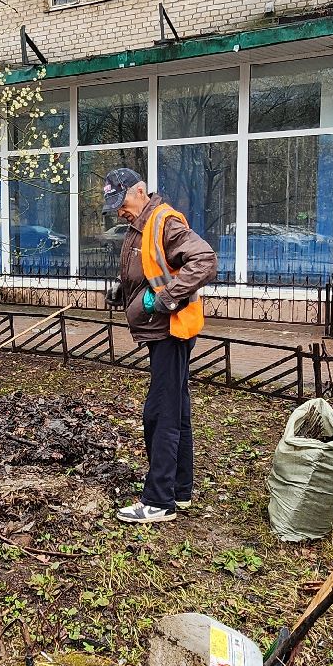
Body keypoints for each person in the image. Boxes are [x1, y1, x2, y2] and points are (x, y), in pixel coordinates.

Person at [103, 168, 217, 523]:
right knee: (176, 410)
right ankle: (179, 490)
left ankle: (158, 501)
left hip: (171, 329)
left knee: (160, 414)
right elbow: (151, 269)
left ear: (140, 191)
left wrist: (167, 297)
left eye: (121, 202)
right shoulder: (140, 225)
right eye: (114, 206)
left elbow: (204, 261)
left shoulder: (163, 221)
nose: (119, 211)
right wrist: (125, 291)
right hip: (162, 330)